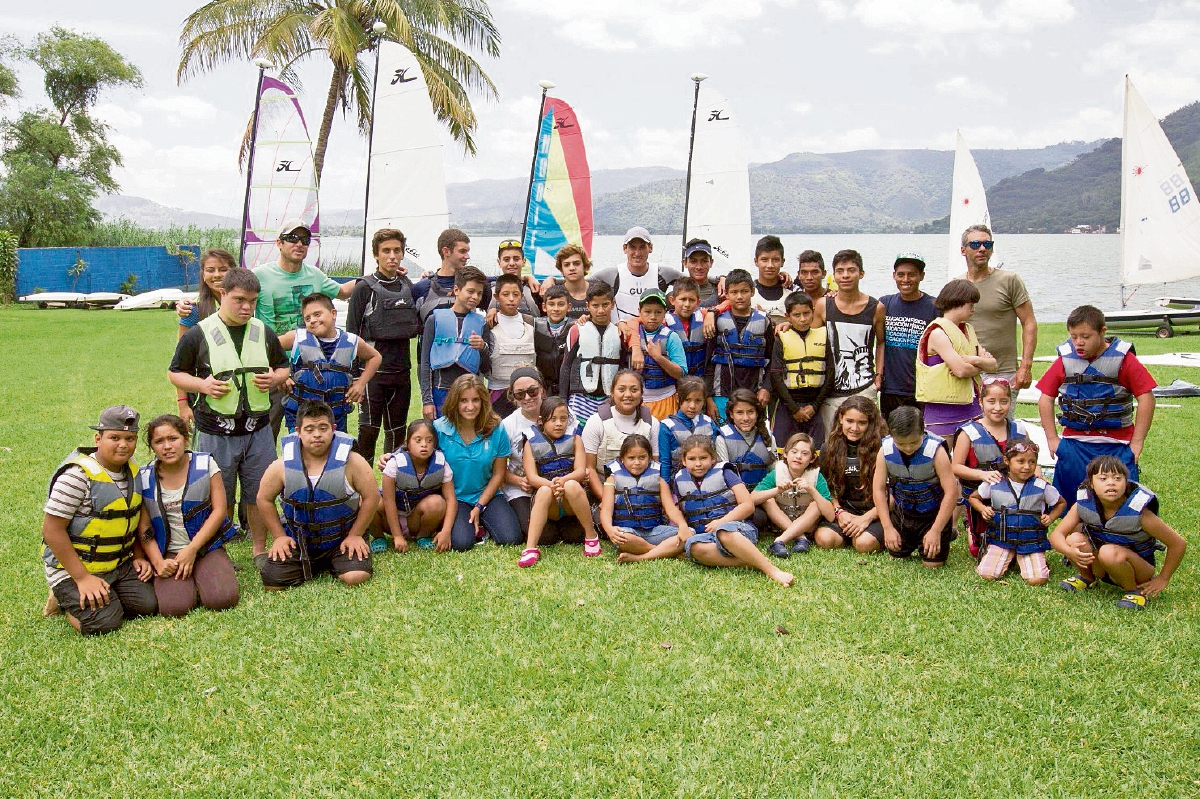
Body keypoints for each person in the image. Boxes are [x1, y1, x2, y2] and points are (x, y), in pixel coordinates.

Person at [169, 268, 291, 564]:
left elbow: (283, 366)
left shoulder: (263, 331)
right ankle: (214, 552)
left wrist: (275, 378)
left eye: (252, 301)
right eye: (239, 300)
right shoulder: (199, 332)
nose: (247, 307)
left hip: (258, 430)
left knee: (259, 491)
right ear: (222, 294)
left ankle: (259, 549)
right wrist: (203, 385)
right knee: (214, 495)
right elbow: (174, 373)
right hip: (215, 431)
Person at [41, 406, 158, 635]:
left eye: (130, 438)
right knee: (105, 623)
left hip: (118, 564)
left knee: (147, 605)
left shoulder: (133, 472)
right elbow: (52, 530)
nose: (123, 445)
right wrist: (82, 578)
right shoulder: (76, 477)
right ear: (98, 438)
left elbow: (130, 519)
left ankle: (105, 594)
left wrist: (140, 556)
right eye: (114, 437)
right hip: (76, 568)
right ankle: (64, 598)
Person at [1036, 305, 1156, 510]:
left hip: (1117, 445)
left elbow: (1146, 398)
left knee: (1122, 505)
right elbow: (1045, 398)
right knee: (1073, 506)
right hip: (1074, 444)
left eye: (1085, 336)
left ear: (1102, 332)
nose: (1078, 343)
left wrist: (1137, 442)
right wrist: (1052, 439)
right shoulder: (1065, 360)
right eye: (1074, 337)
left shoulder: (1124, 360)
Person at [257, 402, 379, 589]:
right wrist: (279, 536)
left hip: (342, 538)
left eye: (323, 428)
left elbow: (372, 497)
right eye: (309, 429)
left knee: (356, 576)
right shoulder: (281, 465)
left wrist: (356, 534)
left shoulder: (353, 461)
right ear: (298, 431)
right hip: (299, 541)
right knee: (273, 582)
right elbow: (263, 499)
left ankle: (338, 560)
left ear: (333, 429)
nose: (317, 435)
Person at [136, 414, 240, 617]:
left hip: (205, 547)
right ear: (152, 447)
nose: (167, 446)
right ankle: (190, 583)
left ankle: (209, 572)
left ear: (185, 438)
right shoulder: (144, 477)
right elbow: (144, 527)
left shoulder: (206, 465)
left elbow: (219, 510)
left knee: (223, 599)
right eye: (159, 441)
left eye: (173, 438)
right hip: (169, 553)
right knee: (174, 608)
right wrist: (157, 562)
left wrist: (192, 549)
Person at [1052, 456, 1186, 610]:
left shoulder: (1140, 512)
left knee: (1108, 552)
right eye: (1103, 478)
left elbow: (1178, 544)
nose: (1111, 483)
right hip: (1102, 565)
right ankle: (1087, 577)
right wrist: (1070, 552)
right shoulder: (1084, 503)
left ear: (1126, 483)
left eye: (1117, 478)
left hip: (1137, 569)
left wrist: (1163, 578)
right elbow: (1056, 535)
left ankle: (1134, 591)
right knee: (1075, 538)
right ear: (1091, 484)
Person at [665, 435, 794, 587]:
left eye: (703, 458)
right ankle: (749, 562)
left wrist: (721, 522)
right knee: (693, 547)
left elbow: (747, 505)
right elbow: (677, 509)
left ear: (713, 458)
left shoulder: (725, 472)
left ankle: (771, 570)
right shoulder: (679, 480)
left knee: (724, 532)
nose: (698, 464)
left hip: (737, 529)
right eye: (692, 459)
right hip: (706, 537)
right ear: (684, 461)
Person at [345, 228, 422, 462]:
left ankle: (392, 489)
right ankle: (363, 491)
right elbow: (351, 335)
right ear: (376, 255)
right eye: (386, 251)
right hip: (372, 376)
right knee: (368, 432)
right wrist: (353, 378)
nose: (392, 256)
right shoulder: (364, 288)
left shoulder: (408, 285)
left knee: (398, 435)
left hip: (401, 374)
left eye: (397, 251)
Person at [434, 374, 524, 551]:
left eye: (476, 400)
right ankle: (473, 525)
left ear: (484, 401)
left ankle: (482, 520)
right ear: (454, 402)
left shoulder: (496, 428)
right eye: (463, 401)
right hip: (455, 498)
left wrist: (479, 506)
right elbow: (414, 447)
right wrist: (390, 458)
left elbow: (499, 474)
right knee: (461, 543)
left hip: (487, 495)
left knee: (512, 538)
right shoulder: (439, 428)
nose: (470, 406)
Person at [278, 293, 380, 433]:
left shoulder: (351, 341)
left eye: (317, 314)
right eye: (307, 318)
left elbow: (375, 357)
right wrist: (280, 375)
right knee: (298, 454)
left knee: (335, 454)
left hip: (335, 416)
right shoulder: (296, 337)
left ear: (333, 313)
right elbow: (266, 347)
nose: (312, 320)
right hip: (301, 416)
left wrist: (361, 383)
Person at [969, 439, 1065, 586]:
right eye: (1020, 461)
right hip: (1001, 540)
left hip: (1030, 541)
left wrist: (1051, 517)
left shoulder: (1041, 486)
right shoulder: (995, 482)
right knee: (986, 575)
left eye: (1032, 462)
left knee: (1037, 580)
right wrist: (983, 509)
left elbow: (1061, 503)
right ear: (1007, 461)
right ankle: (1011, 557)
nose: (1027, 466)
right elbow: (973, 498)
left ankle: (1023, 559)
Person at [872, 406, 959, 568]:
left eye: (914, 442)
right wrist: (888, 527)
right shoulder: (885, 450)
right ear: (892, 435)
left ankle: (945, 534)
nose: (908, 448)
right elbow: (878, 489)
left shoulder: (936, 451)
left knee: (932, 565)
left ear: (923, 431)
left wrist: (936, 530)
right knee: (897, 561)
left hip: (932, 514)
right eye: (901, 444)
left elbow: (952, 492)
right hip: (903, 514)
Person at [517, 396, 600, 567]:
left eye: (563, 419)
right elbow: (532, 478)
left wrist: (562, 482)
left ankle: (591, 537)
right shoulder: (530, 442)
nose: (559, 424)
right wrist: (552, 486)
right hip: (548, 500)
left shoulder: (576, 439)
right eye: (553, 419)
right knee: (544, 491)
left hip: (572, 498)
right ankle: (530, 548)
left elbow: (579, 471)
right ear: (542, 420)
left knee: (571, 485)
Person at [952, 378, 1029, 558]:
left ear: (1010, 402)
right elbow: (955, 467)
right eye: (991, 401)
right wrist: (982, 474)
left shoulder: (1019, 430)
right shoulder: (968, 432)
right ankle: (973, 532)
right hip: (980, 498)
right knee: (980, 552)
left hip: (1014, 497)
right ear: (980, 402)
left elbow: (1032, 461)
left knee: (1018, 547)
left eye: (1004, 402)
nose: (998, 407)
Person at [814, 249, 886, 436]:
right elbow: (809, 338)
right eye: (840, 271)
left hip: (864, 387)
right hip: (830, 391)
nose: (845, 275)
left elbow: (880, 342)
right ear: (834, 275)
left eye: (851, 270)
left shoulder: (876, 308)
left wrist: (878, 375)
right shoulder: (824, 305)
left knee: (867, 442)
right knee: (832, 443)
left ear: (861, 273)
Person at [957, 225, 1037, 391]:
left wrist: (1025, 366)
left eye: (987, 245)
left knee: (1000, 417)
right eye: (975, 245)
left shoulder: (1009, 280)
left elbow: (1028, 322)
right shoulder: (956, 285)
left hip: (1003, 371)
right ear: (963, 250)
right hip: (968, 370)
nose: (982, 249)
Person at [914, 279, 996, 438]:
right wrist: (978, 364)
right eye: (970, 305)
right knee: (941, 457)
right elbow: (961, 370)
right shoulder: (938, 332)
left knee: (971, 459)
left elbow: (993, 365)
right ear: (957, 302)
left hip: (971, 407)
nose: (973, 310)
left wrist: (972, 360)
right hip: (942, 412)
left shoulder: (968, 330)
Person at [254, 218, 355, 333]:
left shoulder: (315, 275)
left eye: (305, 240)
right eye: (293, 238)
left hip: (310, 350)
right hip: (272, 349)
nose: (299, 244)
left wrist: (373, 277)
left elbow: (343, 292)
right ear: (279, 243)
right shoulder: (259, 275)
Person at [814, 396, 886, 553]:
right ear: (840, 418)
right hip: (843, 510)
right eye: (850, 421)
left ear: (871, 423)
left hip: (875, 511)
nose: (855, 428)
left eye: (862, 423)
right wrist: (839, 512)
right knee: (824, 539)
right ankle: (849, 532)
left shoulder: (883, 448)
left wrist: (866, 518)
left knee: (864, 544)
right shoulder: (829, 447)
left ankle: (864, 533)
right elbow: (825, 487)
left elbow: (891, 494)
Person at [419, 265, 490, 418]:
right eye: (470, 291)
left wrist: (482, 348)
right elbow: (424, 363)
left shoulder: (481, 323)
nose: (475, 297)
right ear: (457, 290)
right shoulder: (434, 319)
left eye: (479, 293)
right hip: (440, 390)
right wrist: (427, 401)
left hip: (470, 395)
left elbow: (486, 367)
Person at [174, 248, 235, 424]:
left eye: (223, 269)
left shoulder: (248, 307)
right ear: (202, 274)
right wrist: (183, 405)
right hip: (205, 397)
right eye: (210, 270)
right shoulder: (194, 311)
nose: (217, 275)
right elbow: (180, 363)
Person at [705, 269, 773, 423]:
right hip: (721, 392)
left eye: (744, 291)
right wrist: (708, 398)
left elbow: (771, 360)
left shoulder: (764, 321)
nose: (740, 296)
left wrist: (766, 388)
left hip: (754, 392)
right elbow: (708, 362)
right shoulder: (717, 321)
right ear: (727, 295)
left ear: (753, 291)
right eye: (734, 292)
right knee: (723, 437)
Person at [581, 369, 660, 499]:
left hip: (642, 494)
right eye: (621, 389)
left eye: (634, 390)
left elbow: (655, 465)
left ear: (641, 394)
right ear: (612, 392)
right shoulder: (596, 422)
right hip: (604, 492)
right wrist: (607, 501)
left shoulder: (652, 423)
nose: (627, 395)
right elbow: (590, 468)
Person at [380, 420, 456, 553]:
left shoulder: (442, 464)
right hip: (391, 518)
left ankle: (423, 535)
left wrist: (446, 531)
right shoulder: (394, 464)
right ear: (407, 443)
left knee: (438, 503)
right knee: (372, 500)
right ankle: (378, 537)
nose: (424, 445)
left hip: (416, 519)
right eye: (418, 440)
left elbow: (451, 500)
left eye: (429, 440)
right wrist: (397, 536)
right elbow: (388, 500)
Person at [754, 432, 834, 558]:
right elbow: (752, 499)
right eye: (794, 451)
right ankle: (800, 538)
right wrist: (776, 490)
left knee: (816, 504)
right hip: (781, 523)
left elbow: (830, 516)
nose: (798, 457)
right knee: (767, 499)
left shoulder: (816, 476)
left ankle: (779, 541)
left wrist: (812, 490)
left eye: (805, 453)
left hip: (808, 527)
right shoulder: (777, 472)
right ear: (785, 454)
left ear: (812, 458)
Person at [605, 434, 684, 561]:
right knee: (622, 538)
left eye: (642, 457)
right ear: (622, 459)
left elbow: (671, 508)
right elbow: (606, 510)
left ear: (650, 458)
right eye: (631, 458)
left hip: (654, 531)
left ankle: (642, 556)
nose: (637, 462)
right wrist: (609, 530)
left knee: (689, 532)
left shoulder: (658, 477)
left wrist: (682, 526)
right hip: (629, 532)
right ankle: (666, 551)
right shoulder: (612, 477)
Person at [769, 290, 832, 449]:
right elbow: (776, 375)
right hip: (787, 403)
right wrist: (794, 408)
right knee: (783, 450)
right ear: (787, 316)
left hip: (815, 403)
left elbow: (830, 373)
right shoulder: (781, 338)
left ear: (813, 313)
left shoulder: (824, 335)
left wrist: (815, 406)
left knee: (815, 450)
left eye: (806, 313)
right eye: (797, 315)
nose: (803, 319)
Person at [879, 253, 938, 418]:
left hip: (922, 387)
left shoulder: (934, 306)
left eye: (911, 274)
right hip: (891, 388)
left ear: (922, 276)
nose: (905, 279)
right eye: (901, 274)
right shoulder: (885, 303)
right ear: (894, 276)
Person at [560, 281, 625, 425]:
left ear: (613, 304)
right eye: (595, 305)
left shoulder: (620, 333)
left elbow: (624, 367)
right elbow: (566, 365)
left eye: (605, 305)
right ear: (587, 305)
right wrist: (563, 399)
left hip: (609, 400)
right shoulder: (577, 330)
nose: (601, 310)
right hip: (580, 399)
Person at [715, 389, 778, 529]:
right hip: (736, 499)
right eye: (739, 412)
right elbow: (723, 476)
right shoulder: (722, 438)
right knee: (758, 518)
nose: (745, 418)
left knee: (765, 513)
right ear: (731, 414)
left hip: (763, 495)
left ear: (757, 413)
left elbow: (775, 470)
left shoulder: (768, 437)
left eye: (750, 412)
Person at [589, 227, 681, 322]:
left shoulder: (663, 273)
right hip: (622, 334)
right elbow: (579, 284)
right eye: (632, 247)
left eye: (642, 247)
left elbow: (693, 283)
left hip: (654, 335)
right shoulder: (612, 274)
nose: (637, 253)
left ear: (650, 248)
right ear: (624, 248)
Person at [414, 228, 492, 325]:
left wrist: (493, 308)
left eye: (467, 251)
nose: (467, 256)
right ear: (446, 251)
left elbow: (504, 283)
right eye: (462, 251)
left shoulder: (478, 285)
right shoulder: (421, 287)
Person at [486, 273, 537, 416]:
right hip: (497, 392)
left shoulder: (531, 322)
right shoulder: (489, 324)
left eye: (515, 294)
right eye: (505, 294)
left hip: (527, 395)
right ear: (496, 297)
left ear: (522, 296)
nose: (511, 299)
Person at [631, 290, 687, 419]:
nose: (653, 317)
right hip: (636, 400)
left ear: (665, 313)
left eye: (658, 312)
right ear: (639, 311)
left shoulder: (672, 337)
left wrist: (659, 358)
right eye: (647, 311)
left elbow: (681, 373)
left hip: (665, 398)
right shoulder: (632, 333)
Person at [658, 376, 717, 481]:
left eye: (698, 401)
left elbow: (715, 456)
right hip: (678, 481)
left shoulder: (709, 422)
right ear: (677, 398)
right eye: (687, 400)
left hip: (708, 481)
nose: (692, 406)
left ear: (704, 401)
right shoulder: (667, 426)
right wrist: (666, 490)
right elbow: (665, 462)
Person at [664, 277, 709, 379]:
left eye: (692, 300)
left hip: (698, 382)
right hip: (673, 383)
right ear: (672, 300)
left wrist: (712, 313)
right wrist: (621, 322)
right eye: (683, 299)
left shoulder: (704, 316)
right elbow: (637, 320)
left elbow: (728, 304)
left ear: (698, 302)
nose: (687, 304)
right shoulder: (663, 321)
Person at [534, 284, 572, 394]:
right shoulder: (535, 326)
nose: (556, 309)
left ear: (569, 307)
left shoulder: (576, 326)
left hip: (569, 388)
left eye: (561, 304)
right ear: (544, 307)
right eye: (551, 304)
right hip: (544, 387)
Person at [489, 238, 541, 316]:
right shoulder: (488, 290)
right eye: (506, 259)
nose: (512, 263)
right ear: (499, 262)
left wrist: (551, 279)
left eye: (516, 259)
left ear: (524, 262)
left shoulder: (535, 289)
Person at [539, 244, 592, 321]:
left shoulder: (597, 291)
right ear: (561, 270)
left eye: (576, 263)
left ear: (585, 266)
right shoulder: (554, 292)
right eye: (566, 265)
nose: (572, 268)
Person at [750, 234, 790, 324]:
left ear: (782, 262)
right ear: (756, 261)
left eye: (775, 260)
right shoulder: (747, 293)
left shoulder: (792, 292)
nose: (770, 265)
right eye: (764, 260)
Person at [680, 238, 721, 308]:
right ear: (685, 263)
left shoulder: (721, 292)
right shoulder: (677, 292)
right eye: (693, 261)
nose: (699, 267)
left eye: (704, 261)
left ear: (711, 262)